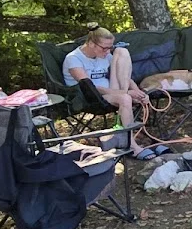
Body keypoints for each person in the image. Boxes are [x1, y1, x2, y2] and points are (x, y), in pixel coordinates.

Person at [62, 25, 163, 160]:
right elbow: (89, 87)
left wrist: (137, 90)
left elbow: (124, 76)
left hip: (112, 91)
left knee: (122, 51)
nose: (108, 51)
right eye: (104, 48)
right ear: (91, 44)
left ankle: (133, 135)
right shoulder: (73, 59)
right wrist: (124, 93)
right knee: (125, 98)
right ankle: (132, 145)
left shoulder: (104, 54)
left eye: (110, 47)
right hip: (90, 97)